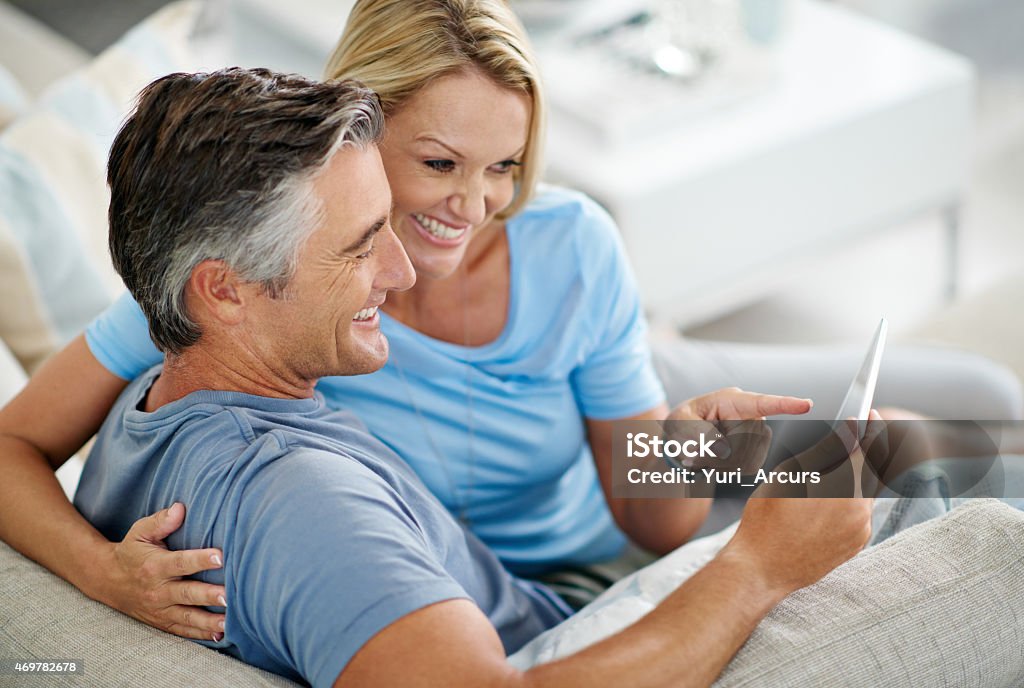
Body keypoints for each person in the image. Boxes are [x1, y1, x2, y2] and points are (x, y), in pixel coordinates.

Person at [0, 0, 1019, 642]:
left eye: (505, 167)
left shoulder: (565, 243)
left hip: (599, 423)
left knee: (975, 411)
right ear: (355, 128)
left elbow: (646, 514)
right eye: (438, 163)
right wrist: (103, 573)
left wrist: (694, 449)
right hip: (534, 578)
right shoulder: (259, 292)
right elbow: (14, 442)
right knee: (925, 477)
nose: (470, 206)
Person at [74, 66, 876, 688]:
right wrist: (756, 568)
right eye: (359, 245)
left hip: (620, 500)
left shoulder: (163, 389)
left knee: (934, 428)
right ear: (223, 290)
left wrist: (689, 455)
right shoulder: (299, 499)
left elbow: (649, 496)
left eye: (504, 167)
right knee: (912, 463)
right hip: (581, 618)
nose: (399, 270)